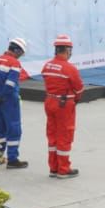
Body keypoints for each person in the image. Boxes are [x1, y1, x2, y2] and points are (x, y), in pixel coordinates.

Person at [42, 34, 84, 178]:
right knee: (65, 135)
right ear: (67, 49)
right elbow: (79, 89)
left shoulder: (47, 65)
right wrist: (75, 99)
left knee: (52, 134)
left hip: (50, 102)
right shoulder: (69, 68)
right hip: (64, 105)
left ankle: (53, 168)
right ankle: (64, 169)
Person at [0, 38, 30, 168]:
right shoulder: (14, 63)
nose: (21, 56)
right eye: (21, 53)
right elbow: (10, 84)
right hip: (9, 100)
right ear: (17, 50)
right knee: (14, 128)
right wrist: (2, 96)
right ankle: (12, 159)